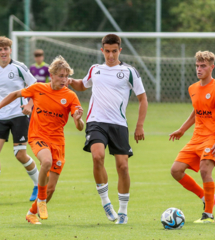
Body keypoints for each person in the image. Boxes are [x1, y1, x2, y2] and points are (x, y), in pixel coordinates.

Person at [0, 55, 84, 225]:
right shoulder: (38, 88)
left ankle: (32, 213)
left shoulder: (70, 96)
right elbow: (15, 94)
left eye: (66, 76)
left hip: (58, 142)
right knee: (46, 161)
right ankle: (41, 200)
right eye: (60, 76)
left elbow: (79, 127)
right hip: (38, 136)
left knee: (51, 188)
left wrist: (78, 118)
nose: (64, 79)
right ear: (51, 75)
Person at [68, 34, 148, 224]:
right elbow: (83, 85)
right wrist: (71, 82)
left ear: (119, 50)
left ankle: (123, 211)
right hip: (96, 121)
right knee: (97, 157)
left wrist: (139, 125)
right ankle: (106, 203)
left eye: (114, 51)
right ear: (102, 50)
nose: (110, 55)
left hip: (119, 124)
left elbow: (142, 98)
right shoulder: (95, 69)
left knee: (123, 167)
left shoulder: (129, 71)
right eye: (107, 51)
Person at [169, 51, 215, 223]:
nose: (199, 69)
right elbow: (196, 111)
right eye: (197, 65)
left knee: (205, 170)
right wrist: (182, 129)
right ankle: (206, 196)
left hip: (212, 137)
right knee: (175, 170)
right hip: (196, 138)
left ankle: (208, 214)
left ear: (212, 67)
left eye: (203, 66)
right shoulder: (193, 88)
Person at [0, 36, 39, 202]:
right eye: (0, 49)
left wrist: (30, 105)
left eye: (6, 49)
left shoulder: (19, 67)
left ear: (10, 50)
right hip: (0, 115)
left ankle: (39, 184)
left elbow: (35, 88)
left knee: (20, 154)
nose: (3, 52)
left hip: (20, 114)